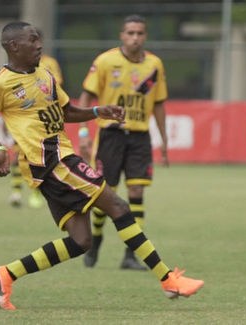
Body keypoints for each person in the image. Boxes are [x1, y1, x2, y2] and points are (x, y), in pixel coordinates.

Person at [0, 21, 204, 310]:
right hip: (51, 161)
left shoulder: (45, 73)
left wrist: (98, 111)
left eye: (39, 40)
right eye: (32, 40)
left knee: (81, 240)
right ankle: (168, 279)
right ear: (14, 46)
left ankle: (5, 274)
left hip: (57, 161)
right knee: (119, 207)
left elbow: (67, 110)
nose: (39, 45)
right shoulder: (1, 83)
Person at [78, 14, 169, 270]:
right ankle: (95, 241)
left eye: (140, 33)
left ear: (145, 36)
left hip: (140, 137)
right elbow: (86, 96)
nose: (135, 38)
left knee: (137, 193)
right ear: (122, 35)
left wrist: (164, 139)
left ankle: (130, 256)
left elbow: (160, 103)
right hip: (111, 135)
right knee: (106, 195)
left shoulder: (154, 65)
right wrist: (83, 133)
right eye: (130, 33)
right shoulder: (106, 61)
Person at [7, 29, 62, 209]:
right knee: (17, 154)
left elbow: (57, 87)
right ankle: (16, 192)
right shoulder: (16, 64)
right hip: (23, 116)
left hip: (45, 118)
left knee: (40, 157)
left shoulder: (50, 63)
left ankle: (36, 192)